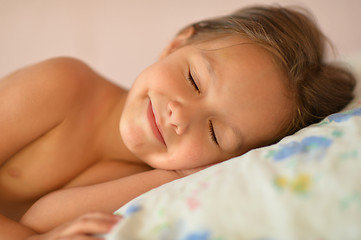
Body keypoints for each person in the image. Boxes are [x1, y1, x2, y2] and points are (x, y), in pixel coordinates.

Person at [0, 5, 356, 240]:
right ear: (177, 43)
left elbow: (40, 219)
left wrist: (177, 174)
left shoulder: (148, 179)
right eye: (193, 81)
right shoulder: (63, 84)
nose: (180, 117)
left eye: (215, 133)